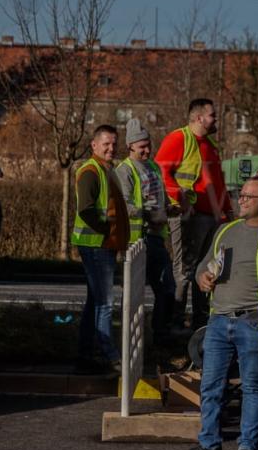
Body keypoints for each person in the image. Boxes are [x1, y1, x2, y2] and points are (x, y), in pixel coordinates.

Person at [182, 176, 258, 450]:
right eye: (240, 195)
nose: (240, 200)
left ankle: (248, 448)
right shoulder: (225, 231)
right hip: (219, 319)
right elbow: (203, 267)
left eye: (247, 196)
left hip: (252, 321)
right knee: (210, 386)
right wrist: (203, 278)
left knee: (253, 387)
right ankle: (210, 445)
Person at [155, 98, 232, 331]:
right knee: (185, 270)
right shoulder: (180, 138)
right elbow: (161, 170)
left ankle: (200, 322)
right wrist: (180, 201)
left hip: (212, 217)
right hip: (190, 216)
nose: (216, 118)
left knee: (207, 270)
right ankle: (176, 323)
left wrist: (226, 211)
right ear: (199, 118)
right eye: (212, 115)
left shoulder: (210, 145)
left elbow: (218, 183)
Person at [116, 118, 179, 345]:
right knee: (133, 296)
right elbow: (123, 205)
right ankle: (130, 341)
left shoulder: (153, 167)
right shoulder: (125, 170)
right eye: (142, 146)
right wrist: (148, 215)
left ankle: (160, 335)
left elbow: (157, 197)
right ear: (130, 146)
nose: (147, 150)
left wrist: (167, 209)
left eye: (148, 144)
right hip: (135, 241)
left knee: (168, 288)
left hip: (155, 238)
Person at [72, 124, 129, 373]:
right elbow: (85, 209)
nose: (111, 148)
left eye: (114, 143)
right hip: (95, 245)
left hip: (103, 244)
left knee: (94, 301)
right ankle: (110, 356)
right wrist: (106, 229)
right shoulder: (91, 171)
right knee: (104, 303)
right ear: (94, 145)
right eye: (106, 143)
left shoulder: (108, 169)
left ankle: (85, 355)